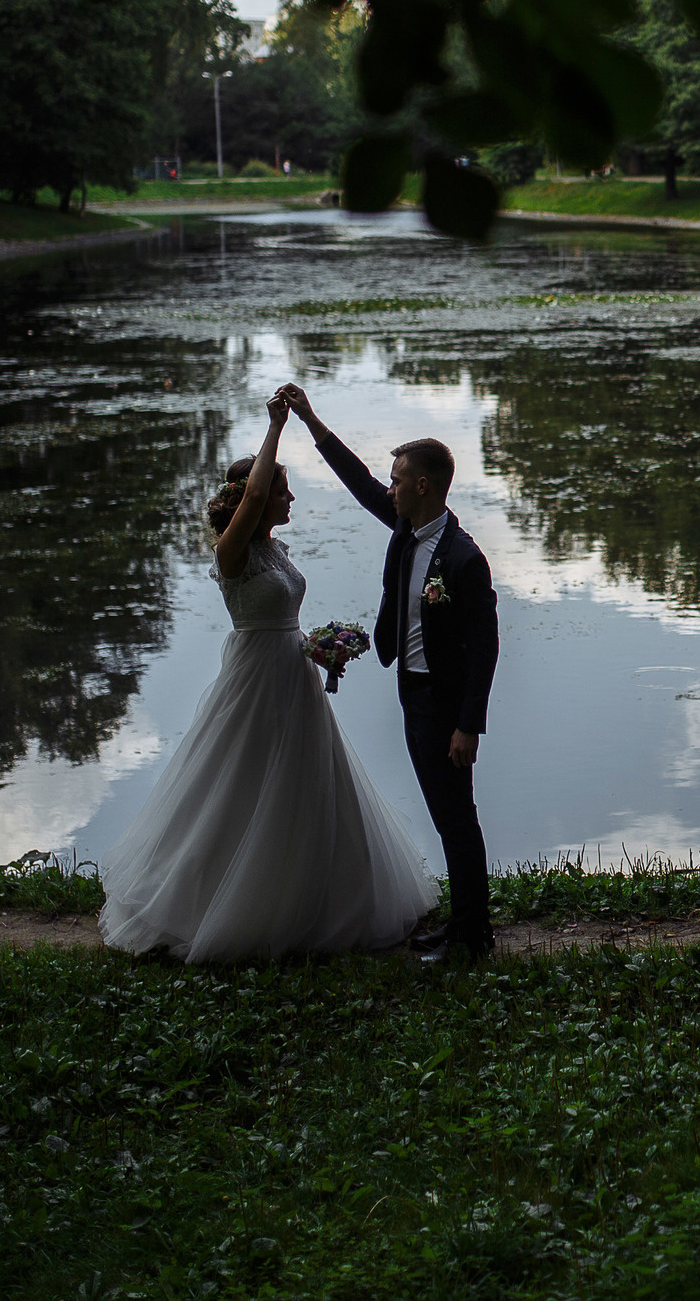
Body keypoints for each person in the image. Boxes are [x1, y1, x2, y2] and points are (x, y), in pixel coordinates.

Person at [97, 389, 436, 960]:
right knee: (241, 784)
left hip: (295, 676)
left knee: (306, 786)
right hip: (254, 681)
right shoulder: (234, 553)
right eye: (283, 489)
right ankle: (214, 905)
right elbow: (255, 491)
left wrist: (319, 646)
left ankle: (317, 900)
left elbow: (283, 615)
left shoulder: (276, 549)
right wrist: (278, 425)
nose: (289, 497)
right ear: (254, 498)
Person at [286, 383, 500, 962]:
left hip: (445, 704)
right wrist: (310, 419)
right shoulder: (406, 529)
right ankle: (462, 922)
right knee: (443, 811)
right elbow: (359, 484)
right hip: (412, 694)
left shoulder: (462, 558)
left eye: (399, 479)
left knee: (457, 817)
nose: (392, 487)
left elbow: (485, 649)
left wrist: (467, 726)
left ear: (423, 485)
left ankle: (472, 937)